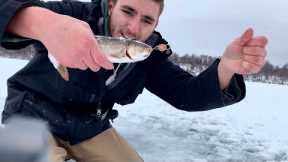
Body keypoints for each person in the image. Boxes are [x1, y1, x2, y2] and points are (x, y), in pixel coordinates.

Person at [0, 0, 268, 161]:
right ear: (112, 4)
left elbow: (186, 94)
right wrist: (46, 25)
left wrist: (226, 69)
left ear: (156, 24)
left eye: (147, 20)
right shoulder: (73, 17)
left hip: (89, 127)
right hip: (31, 114)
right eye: (128, 11)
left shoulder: (146, 53)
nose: (133, 28)